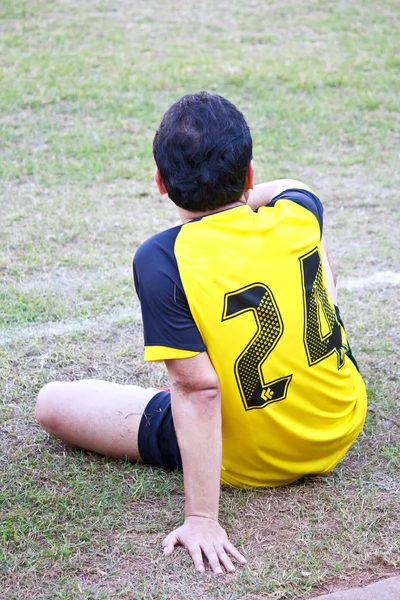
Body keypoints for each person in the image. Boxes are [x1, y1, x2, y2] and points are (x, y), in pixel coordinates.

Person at [35, 91, 367, 575]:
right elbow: (292, 185)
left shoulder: (161, 257)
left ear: (160, 183)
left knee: (51, 404)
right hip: (340, 421)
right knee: (311, 253)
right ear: (250, 174)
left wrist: (201, 518)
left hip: (253, 456)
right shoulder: (298, 209)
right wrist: (234, 198)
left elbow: (198, 391)